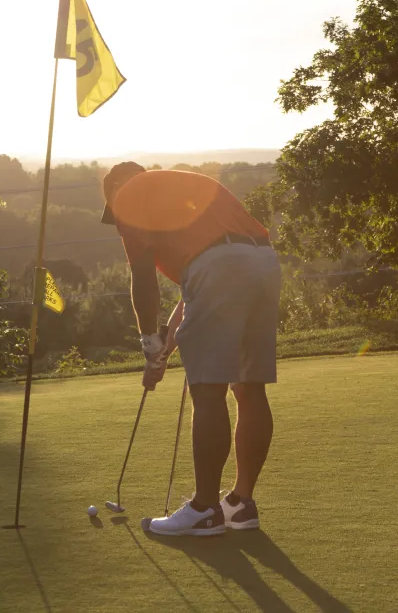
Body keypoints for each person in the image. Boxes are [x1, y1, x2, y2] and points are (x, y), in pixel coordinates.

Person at [100, 162, 281, 536]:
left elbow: (143, 278)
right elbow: (196, 290)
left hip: (219, 267)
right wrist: (164, 348)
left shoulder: (128, 196)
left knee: (208, 390)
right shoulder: (184, 185)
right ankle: (241, 504)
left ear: (116, 188)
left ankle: (205, 509)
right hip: (263, 262)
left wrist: (148, 341)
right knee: (250, 386)